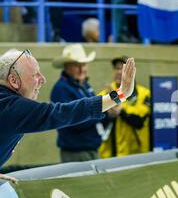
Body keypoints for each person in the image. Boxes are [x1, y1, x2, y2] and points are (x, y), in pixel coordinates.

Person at [0, 49, 136, 182]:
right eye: (35, 74)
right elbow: (62, 113)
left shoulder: (8, 103)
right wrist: (119, 95)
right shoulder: (11, 107)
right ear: (13, 80)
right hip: (75, 151)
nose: (43, 79)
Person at [50, 44, 101, 162]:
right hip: (76, 152)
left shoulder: (84, 85)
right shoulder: (61, 89)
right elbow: (74, 120)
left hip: (89, 148)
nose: (82, 69)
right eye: (77, 65)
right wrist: (104, 112)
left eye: (84, 64)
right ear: (67, 66)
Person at [98, 56, 151, 158]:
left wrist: (121, 109)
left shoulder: (144, 93)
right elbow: (95, 122)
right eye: (117, 68)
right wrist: (107, 114)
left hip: (137, 154)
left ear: (132, 73)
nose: (119, 72)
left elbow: (140, 120)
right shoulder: (105, 94)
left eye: (123, 69)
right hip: (109, 154)